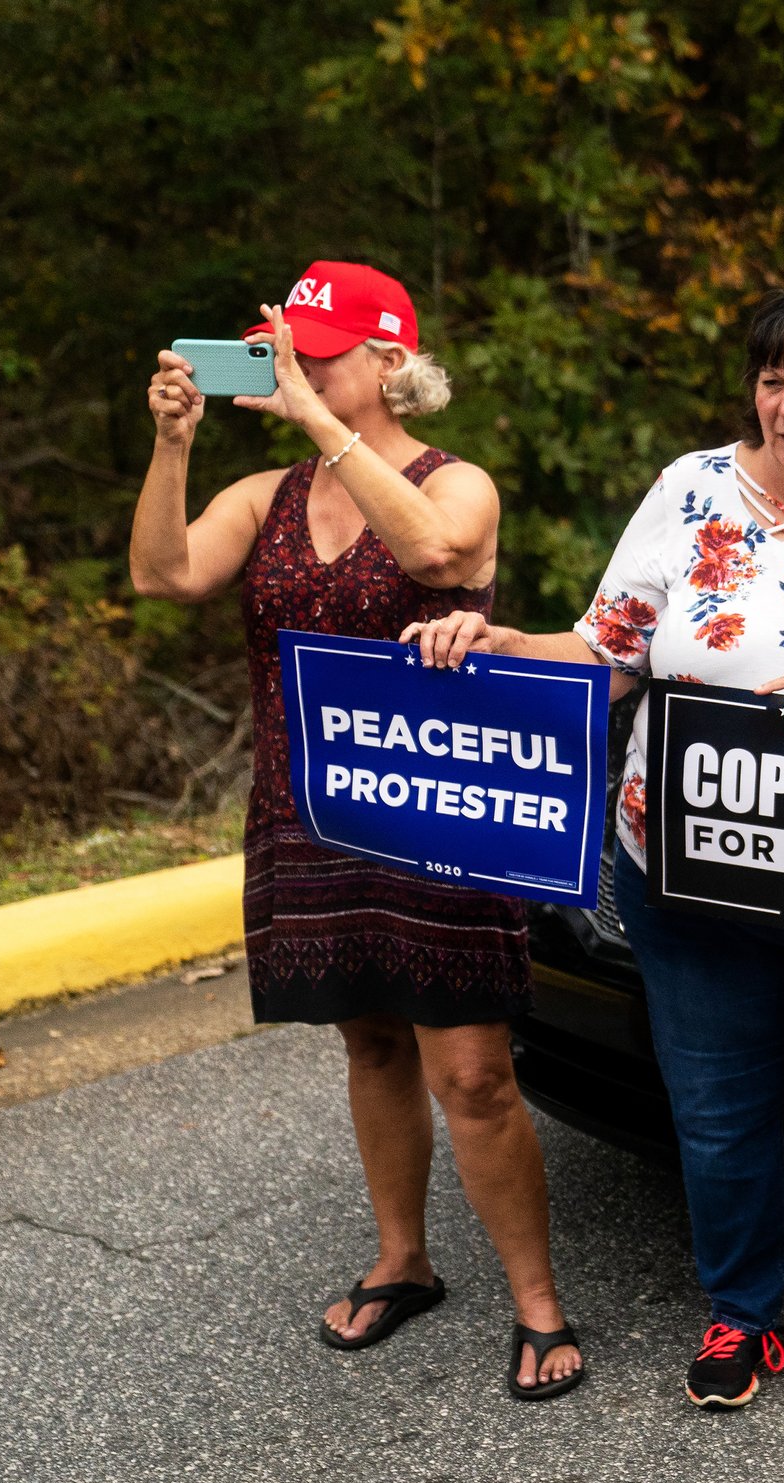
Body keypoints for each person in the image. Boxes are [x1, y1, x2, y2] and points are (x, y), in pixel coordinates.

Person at [402, 281, 784, 1413]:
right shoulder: (689, 489)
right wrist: (494, 643)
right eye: (773, 379)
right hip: (690, 865)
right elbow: (609, 652)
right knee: (720, 1105)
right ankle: (743, 1313)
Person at [128, 260, 583, 1399]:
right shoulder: (267, 493)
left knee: (472, 1068)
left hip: (437, 810)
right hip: (309, 807)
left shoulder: (456, 481)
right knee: (368, 1036)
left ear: (389, 359)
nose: (297, 361)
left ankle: (537, 1301)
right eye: (287, 347)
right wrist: (175, 444)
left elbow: (437, 555)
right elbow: (162, 573)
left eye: (320, 346)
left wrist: (324, 422)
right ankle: (404, 1260)